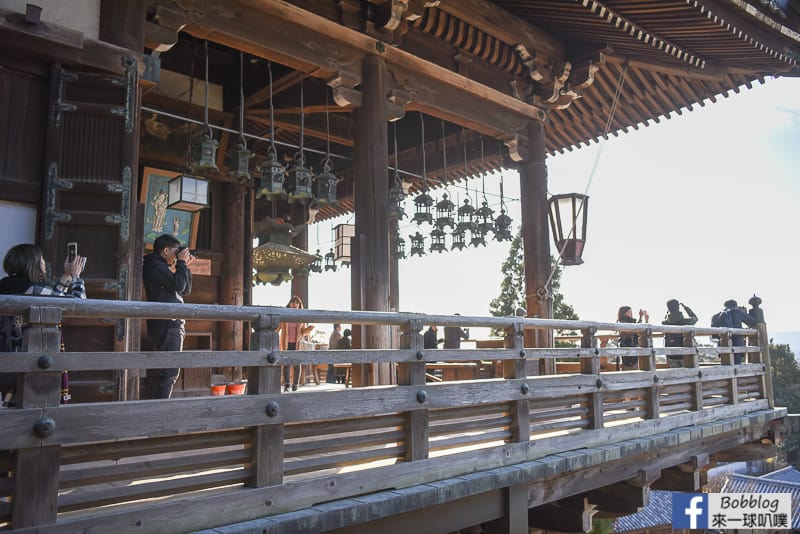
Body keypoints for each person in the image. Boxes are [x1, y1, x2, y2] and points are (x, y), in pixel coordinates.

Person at [0, 243, 87, 406]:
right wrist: (76, 276)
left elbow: (54, 298)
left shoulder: (7, 285)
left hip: (9, 354)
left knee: (13, 400)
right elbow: (79, 305)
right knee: (36, 404)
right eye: (41, 259)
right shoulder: (34, 290)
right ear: (32, 264)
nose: (44, 263)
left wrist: (66, 275)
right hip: (33, 357)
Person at [142, 234, 193, 399]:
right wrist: (182, 264)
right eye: (175, 251)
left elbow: (184, 289)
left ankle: (157, 407)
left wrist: (186, 266)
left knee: (167, 371)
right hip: (167, 325)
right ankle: (160, 408)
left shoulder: (160, 266)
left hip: (169, 324)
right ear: (165, 250)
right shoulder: (154, 266)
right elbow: (178, 284)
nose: (177, 255)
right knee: (168, 372)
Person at [279, 295, 314, 392]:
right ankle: (286, 384)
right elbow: (277, 328)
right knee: (286, 364)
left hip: (296, 344)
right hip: (286, 343)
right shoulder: (284, 315)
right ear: (289, 304)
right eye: (292, 302)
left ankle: (295, 384)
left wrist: (309, 329)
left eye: (296, 303)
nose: (294, 304)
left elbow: (303, 332)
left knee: (297, 365)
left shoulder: (301, 317)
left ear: (299, 305)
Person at [718, 299, 759, 364]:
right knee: (736, 364)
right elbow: (753, 322)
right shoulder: (737, 311)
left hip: (722, 345)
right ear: (735, 305)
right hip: (737, 344)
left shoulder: (720, 314)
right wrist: (745, 313)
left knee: (726, 365)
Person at [662, 299, 698, 368]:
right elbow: (695, 318)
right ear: (678, 307)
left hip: (672, 354)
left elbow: (664, 319)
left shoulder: (665, 323)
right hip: (686, 353)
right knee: (689, 375)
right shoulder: (686, 322)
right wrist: (685, 308)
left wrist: (667, 313)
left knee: (675, 375)